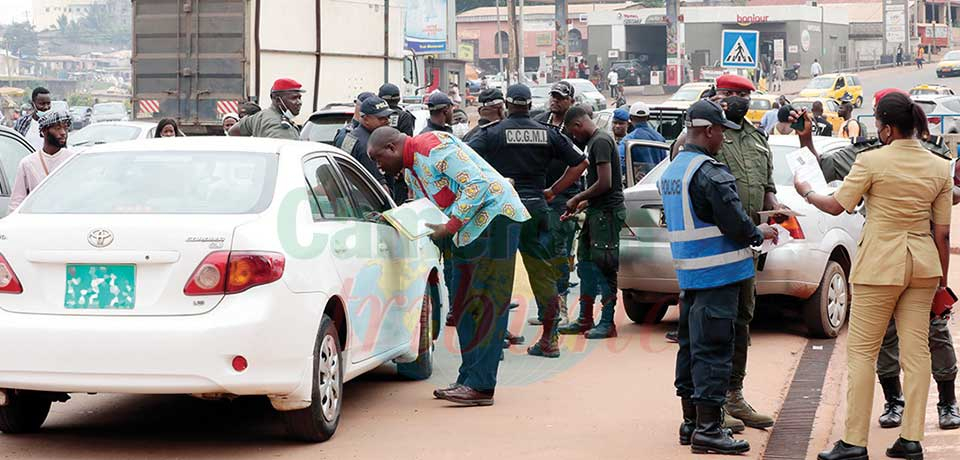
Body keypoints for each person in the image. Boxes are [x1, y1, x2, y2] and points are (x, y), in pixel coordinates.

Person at [799, 91, 951, 460]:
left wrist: (807, 192)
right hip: (923, 264)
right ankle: (912, 439)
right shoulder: (938, 166)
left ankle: (854, 441)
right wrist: (941, 285)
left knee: (863, 353)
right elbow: (942, 233)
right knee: (916, 354)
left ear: (885, 128)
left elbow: (836, 206)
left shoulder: (871, 161)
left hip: (880, 263)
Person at [367, 127, 528, 406]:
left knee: (484, 304)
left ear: (392, 147)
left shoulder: (432, 148)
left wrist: (450, 225)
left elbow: (477, 185)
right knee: (464, 305)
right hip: (469, 231)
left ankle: (480, 385)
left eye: (378, 158)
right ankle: (470, 379)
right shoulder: (411, 170)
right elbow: (425, 208)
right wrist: (391, 219)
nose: (378, 166)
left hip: (495, 221)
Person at [661, 100, 778, 456]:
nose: (724, 140)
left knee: (691, 349)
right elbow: (737, 225)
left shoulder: (673, 171)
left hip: (690, 278)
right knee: (714, 350)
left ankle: (691, 422)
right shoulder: (710, 173)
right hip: (720, 275)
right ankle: (710, 430)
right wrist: (759, 231)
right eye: (721, 133)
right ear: (708, 131)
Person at [467, 84, 588, 358]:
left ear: (506, 105)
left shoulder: (492, 133)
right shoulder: (548, 133)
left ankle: (495, 342)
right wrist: (554, 191)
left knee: (497, 276)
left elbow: (465, 160)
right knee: (542, 275)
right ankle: (549, 339)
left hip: (502, 211)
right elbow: (581, 163)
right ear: (530, 105)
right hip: (536, 210)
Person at [561, 106, 626, 340]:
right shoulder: (596, 141)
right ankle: (585, 318)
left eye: (573, 133)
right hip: (597, 211)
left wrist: (578, 197)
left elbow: (606, 183)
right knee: (586, 264)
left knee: (605, 266)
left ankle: (607, 322)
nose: (575, 137)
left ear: (578, 125)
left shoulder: (600, 141)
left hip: (607, 214)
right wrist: (583, 205)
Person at [534, 80, 582, 329]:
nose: (555, 100)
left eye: (561, 97)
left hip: (563, 197)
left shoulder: (574, 126)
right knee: (540, 251)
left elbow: (581, 163)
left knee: (559, 252)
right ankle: (546, 308)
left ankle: (561, 308)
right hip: (540, 194)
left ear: (570, 101)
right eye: (553, 95)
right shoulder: (540, 121)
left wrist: (558, 190)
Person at [8, 110, 77, 212]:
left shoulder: (73, 160)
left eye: (65, 128)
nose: (63, 133)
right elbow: (16, 202)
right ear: (44, 131)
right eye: (58, 128)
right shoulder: (28, 163)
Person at [341, 96, 392, 186]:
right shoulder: (368, 145)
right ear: (366, 119)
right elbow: (380, 187)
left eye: (388, 117)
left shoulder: (353, 135)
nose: (387, 121)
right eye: (381, 118)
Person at [229, 78, 303, 139]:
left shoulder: (260, 116)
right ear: (278, 100)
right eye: (294, 98)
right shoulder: (280, 127)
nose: (299, 102)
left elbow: (233, 131)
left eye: (299, 98)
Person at [617, 102, 666, 182]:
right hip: (656, 184)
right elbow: (665, 163)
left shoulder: (629, 139)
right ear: (648, 117)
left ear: (630, 118)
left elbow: (620, 163)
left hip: (639, 184)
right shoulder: (660, 138)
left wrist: (632, 174)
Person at [14, 87, 52, 151]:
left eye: (48, 103)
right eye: (42, 104)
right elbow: (15, 144)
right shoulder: (22, 122)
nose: (46, 107)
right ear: (33, 104)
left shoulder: (55, 124)